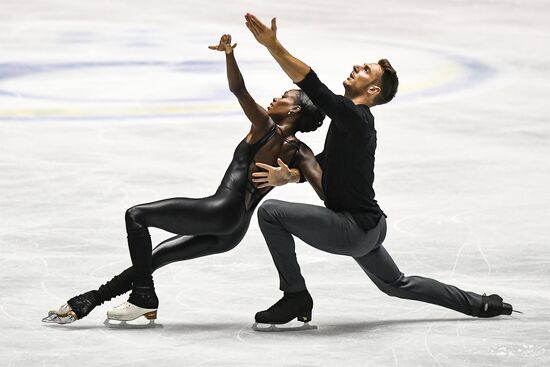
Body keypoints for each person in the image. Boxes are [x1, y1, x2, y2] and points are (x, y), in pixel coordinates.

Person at [243, 13, 517, 329]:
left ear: (373, 90)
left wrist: (273, 45)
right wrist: (293, 176)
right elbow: (325, 164)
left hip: (353, 229)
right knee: (396, 283)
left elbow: (311, 85)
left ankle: (295, 296)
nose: (357, 67)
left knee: (272, 213)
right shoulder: (353, 124)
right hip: (370, 228)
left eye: (366, 70)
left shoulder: (354, 116)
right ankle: (479, 304)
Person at [42, 34, 326, 326]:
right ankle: (88, 301)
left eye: (283, 97)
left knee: (136, 216)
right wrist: (295, 176)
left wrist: (229, 54)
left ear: (293, 110)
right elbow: (326, 188)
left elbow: (239, 90)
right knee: (156, 257)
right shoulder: (302, 152)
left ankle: (143, 297)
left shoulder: (266, 127)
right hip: (235, 229)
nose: (275, 99)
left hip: (220, 210)